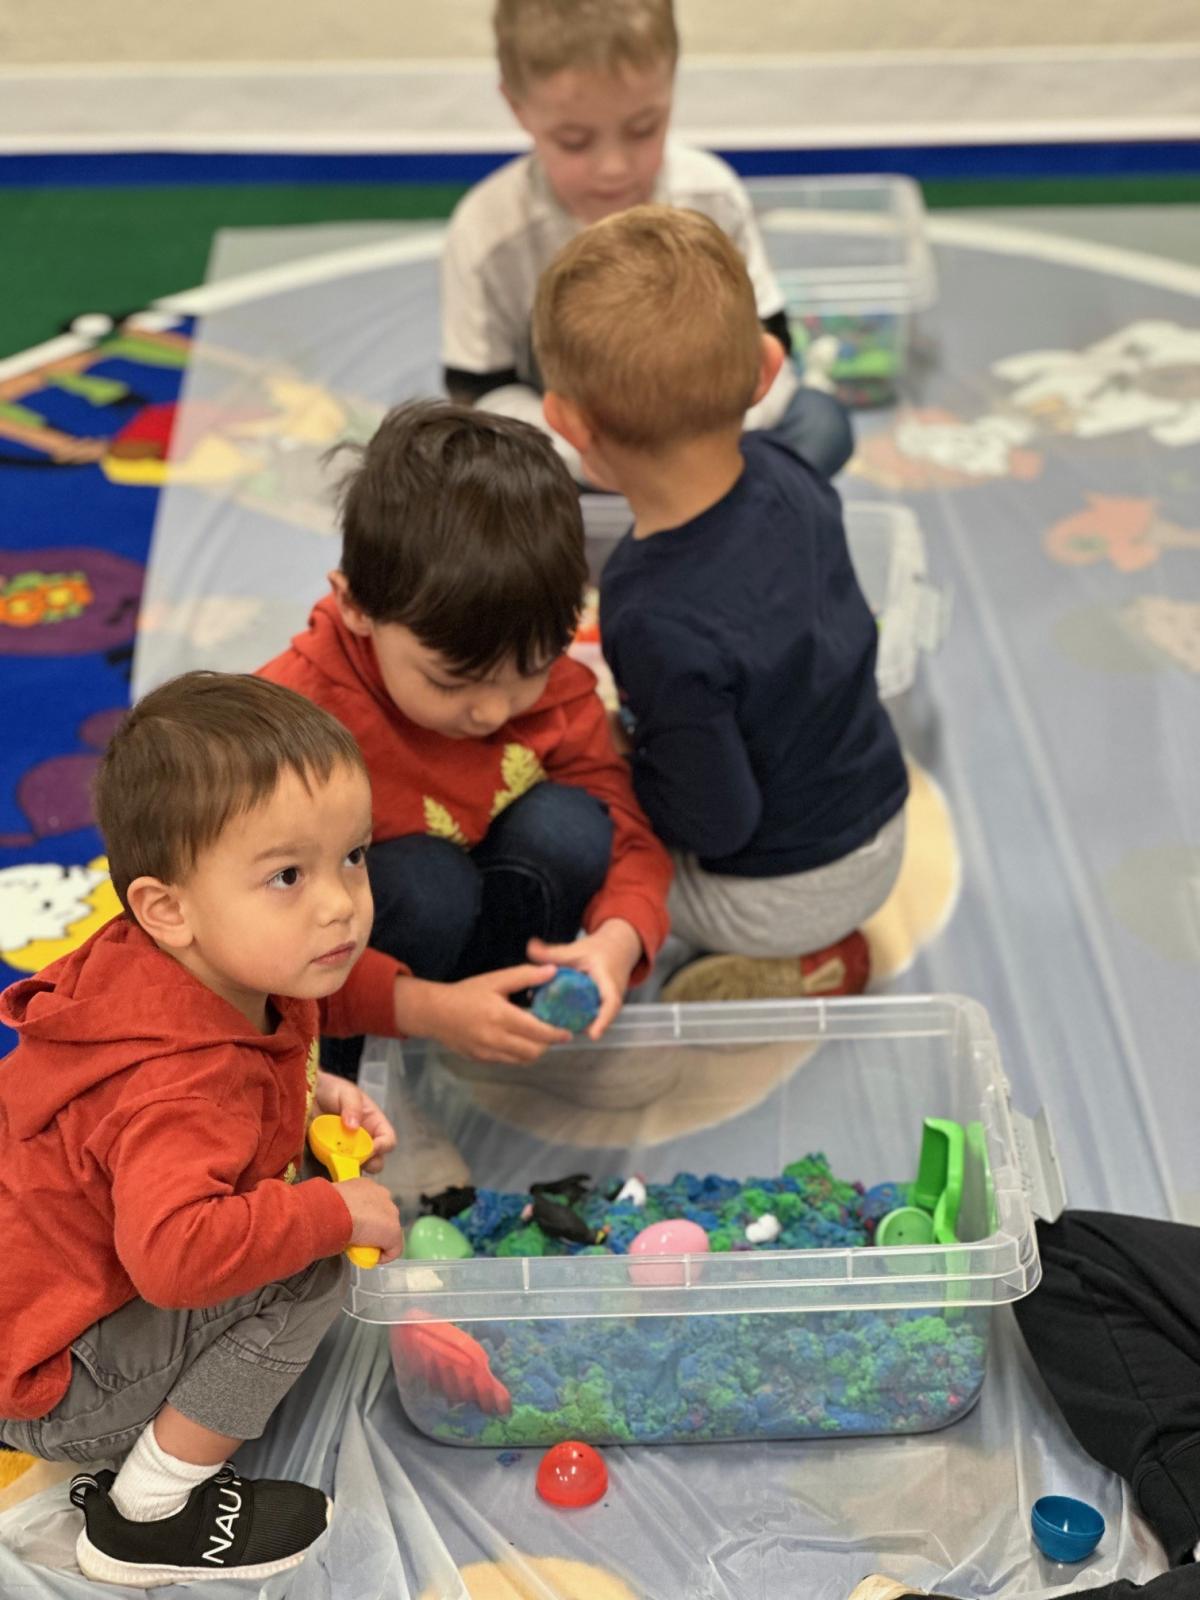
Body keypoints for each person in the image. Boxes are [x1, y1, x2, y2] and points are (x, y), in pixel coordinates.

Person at [0, 672, 404, 1586]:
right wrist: (335, 1215)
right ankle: (147, 1513)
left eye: (354, 857)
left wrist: (314, 1094)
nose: (339, 902)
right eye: (288, 875)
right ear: (166, 907)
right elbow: (177, 1257)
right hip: (58, 1383)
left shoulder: (205, 967)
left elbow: (233, 1084)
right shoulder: (182, 1086)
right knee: (308, 1263)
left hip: (34, 1301)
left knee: (286, 1213)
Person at [533, 204, 909, 1002]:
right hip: (881, 821)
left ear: (564, 423)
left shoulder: (650, 607)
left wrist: (618, 746)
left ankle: (792, 965)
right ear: (769, 369)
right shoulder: (791, 472)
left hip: (776, 891)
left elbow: (714, 822)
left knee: (582, 842)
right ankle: (805, 944)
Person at [258, 400, 672, 1074]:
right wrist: (421, 1010)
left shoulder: (548, 679)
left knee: (571, 825)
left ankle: (493, 1037)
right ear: (356, 606)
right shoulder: (291, 726)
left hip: (481, 935)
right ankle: (360, 1085)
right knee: (426, 885)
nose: (492, 711)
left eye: (529, 671)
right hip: (344, 976)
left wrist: (621, 936)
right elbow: (251, 952)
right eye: (452, 683)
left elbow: (624, 823)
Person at [440, 0, 853, 485]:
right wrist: (599, 454)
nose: (614, 166)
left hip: (716, 441)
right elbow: (479, 397)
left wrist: (701, 441)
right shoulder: (486, 230)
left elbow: (766, 343)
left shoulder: (711, 195)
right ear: (517, 107)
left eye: (643, 129)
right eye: (574, 141)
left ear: (672, 86)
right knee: (468, 472)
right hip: (576, 462)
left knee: (823, 425)